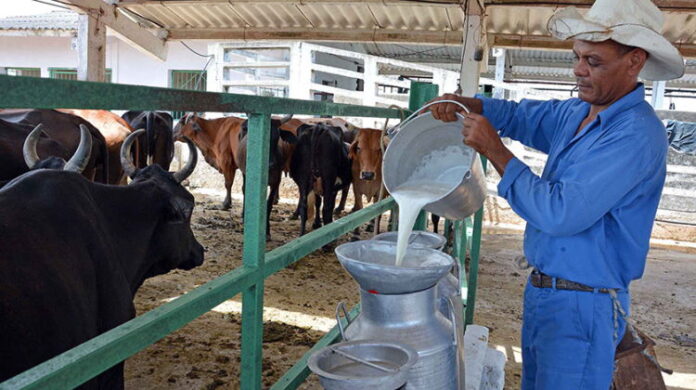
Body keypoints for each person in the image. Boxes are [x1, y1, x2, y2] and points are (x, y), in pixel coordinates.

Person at [424, 0, 684, 388]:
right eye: (577, 57)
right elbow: (520, 116)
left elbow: (560, 213)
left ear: (634, 61)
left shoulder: (635, 134)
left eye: (593, 61)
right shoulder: (577, 113)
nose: (579, 70)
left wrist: (495, 150)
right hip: (548, 294)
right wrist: (467, 104)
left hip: (585, 305)